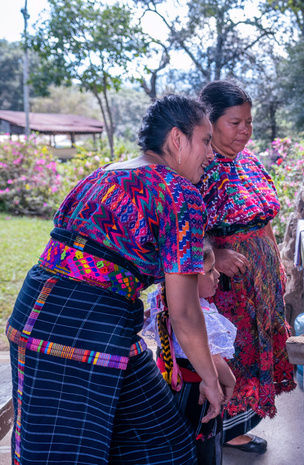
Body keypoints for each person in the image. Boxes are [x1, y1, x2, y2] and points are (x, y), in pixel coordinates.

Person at [5, 94, 234, 464]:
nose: (212, 153)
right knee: (74, 453)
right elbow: (184, 311)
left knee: (160, 443)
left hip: (38, 314)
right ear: (177, 139)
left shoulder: (105, 174)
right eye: (205, 140)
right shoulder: (179, 193)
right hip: (83, 329)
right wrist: (211, 377)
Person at [198, 80, 296, 453]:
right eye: (234, 123)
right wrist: (217, 255)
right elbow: (187, 229)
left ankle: (241, 420)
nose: (244, 131)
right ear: (210, 121)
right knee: (233, 350)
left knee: (260, 344)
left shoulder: (250, 162)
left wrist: (277, 260)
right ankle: (226, 428)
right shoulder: (201, 169)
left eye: (249, 123)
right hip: (227, 286)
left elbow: (265, 219)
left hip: (261, 280)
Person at [143, 238, 238, 465]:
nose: (217, 275)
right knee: (202, 440)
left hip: (171, 388)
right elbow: (213, 360)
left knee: (178, 439)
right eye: (209, 270)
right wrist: (230, 382)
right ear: (186, 281)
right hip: (198, 393)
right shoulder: (199, 318)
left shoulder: (162, 301)